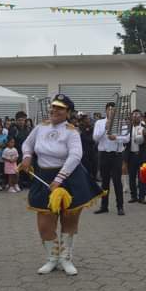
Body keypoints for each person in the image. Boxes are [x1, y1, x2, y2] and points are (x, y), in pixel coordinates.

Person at [22, 94, 103, 275]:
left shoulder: (71, 131)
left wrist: (59, 179)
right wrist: (27, 157)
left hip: (69, 178)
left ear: (68, 112)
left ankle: (66, 259)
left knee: (69, 221)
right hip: (44, 177)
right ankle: (52, 258)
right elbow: (27, 145)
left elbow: (75, 155)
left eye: (60, 108)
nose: (55, 110)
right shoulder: (40, 127)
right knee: (45, 224)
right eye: (53, 107)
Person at [93, 102, 129, 215]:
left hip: (116, 155)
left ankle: (120, 206)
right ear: (106, 111)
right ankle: (104, 206)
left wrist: (116, 138)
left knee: (117, 181)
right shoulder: (99, 122)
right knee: (104, 182)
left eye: (113, 110)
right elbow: (95, 137)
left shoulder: (121, 123)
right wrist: (105, 127)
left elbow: (127, 138)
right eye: (109, 109)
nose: (111, 111)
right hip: (103, 154)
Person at [124, 109, 146, 204]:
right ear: (131, 117)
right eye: (134, 116)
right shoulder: (127, 129)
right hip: (131, 156)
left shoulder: (144, 128)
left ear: (141, 118)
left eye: (138, 116)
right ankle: (133, 196)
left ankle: (142, 197)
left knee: (142, 177)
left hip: (141, 156)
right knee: (132, 177)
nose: (135, 118)